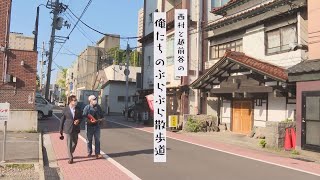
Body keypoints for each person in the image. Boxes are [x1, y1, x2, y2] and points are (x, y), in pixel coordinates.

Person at [59, 95, 82, 164]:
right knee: (69, 143)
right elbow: (62, 120)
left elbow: (81, 117)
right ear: (70, 101)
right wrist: (61, 129)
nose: (75, 102)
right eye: (74, 100)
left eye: (76, 100)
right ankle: (70, 158)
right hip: (68, 128)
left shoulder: (78, 108)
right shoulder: (65, 109)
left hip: (76, 128)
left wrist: (78, 120)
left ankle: (70, 151)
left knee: (75, 142)